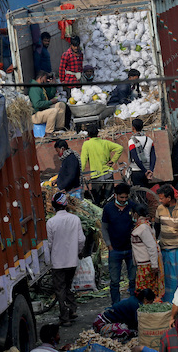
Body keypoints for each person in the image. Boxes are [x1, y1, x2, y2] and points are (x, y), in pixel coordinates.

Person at [46, 193, 85, 326]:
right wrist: (78, 252)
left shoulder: (50, 222)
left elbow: (49, 244)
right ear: (65, 205)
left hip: (58, 262)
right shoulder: (75, 219)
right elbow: (81, 240)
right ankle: (72, 310)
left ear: (54, 206)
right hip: (71, 261)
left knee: (60, 289)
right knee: (68, 286)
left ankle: (65, 317)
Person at [101, 184, 136, 304]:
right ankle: (116, 305)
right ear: (115, 196)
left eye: (126, 197)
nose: (124, 200)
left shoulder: (132, 206)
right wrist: (109, 245)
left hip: (131, 249)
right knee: (115, 281)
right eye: (121, 197)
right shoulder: (108, 208)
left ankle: (133, 303)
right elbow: (104, 228)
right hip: (115, 249)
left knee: (133, 279)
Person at [81, 123, 123, 202]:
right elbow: (120, 148)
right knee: (109, 198)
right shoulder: (105, 142)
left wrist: (80, 173)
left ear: (88, 134)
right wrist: (113, 161)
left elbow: (83, 162)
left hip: (96, 175)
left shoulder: (86, 144)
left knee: (97, 199)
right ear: (97, 133)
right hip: (108, 173)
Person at [131, 205, 163, 299]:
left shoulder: (143, 228)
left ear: (135, 214)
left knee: (145, 291)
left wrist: (154, 265)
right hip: (144, 263)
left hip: (146, 265)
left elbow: (151, 246)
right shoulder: (144, 225)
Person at [129, 118, 156, 187]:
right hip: (147, 170)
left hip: (136, 171)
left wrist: (144, 171)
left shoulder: (132, 141)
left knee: (137, 193)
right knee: (145, 191)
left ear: (133, 128)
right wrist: (150, 170)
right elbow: (153, 157)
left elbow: (135, 158)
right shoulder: (149, 140)